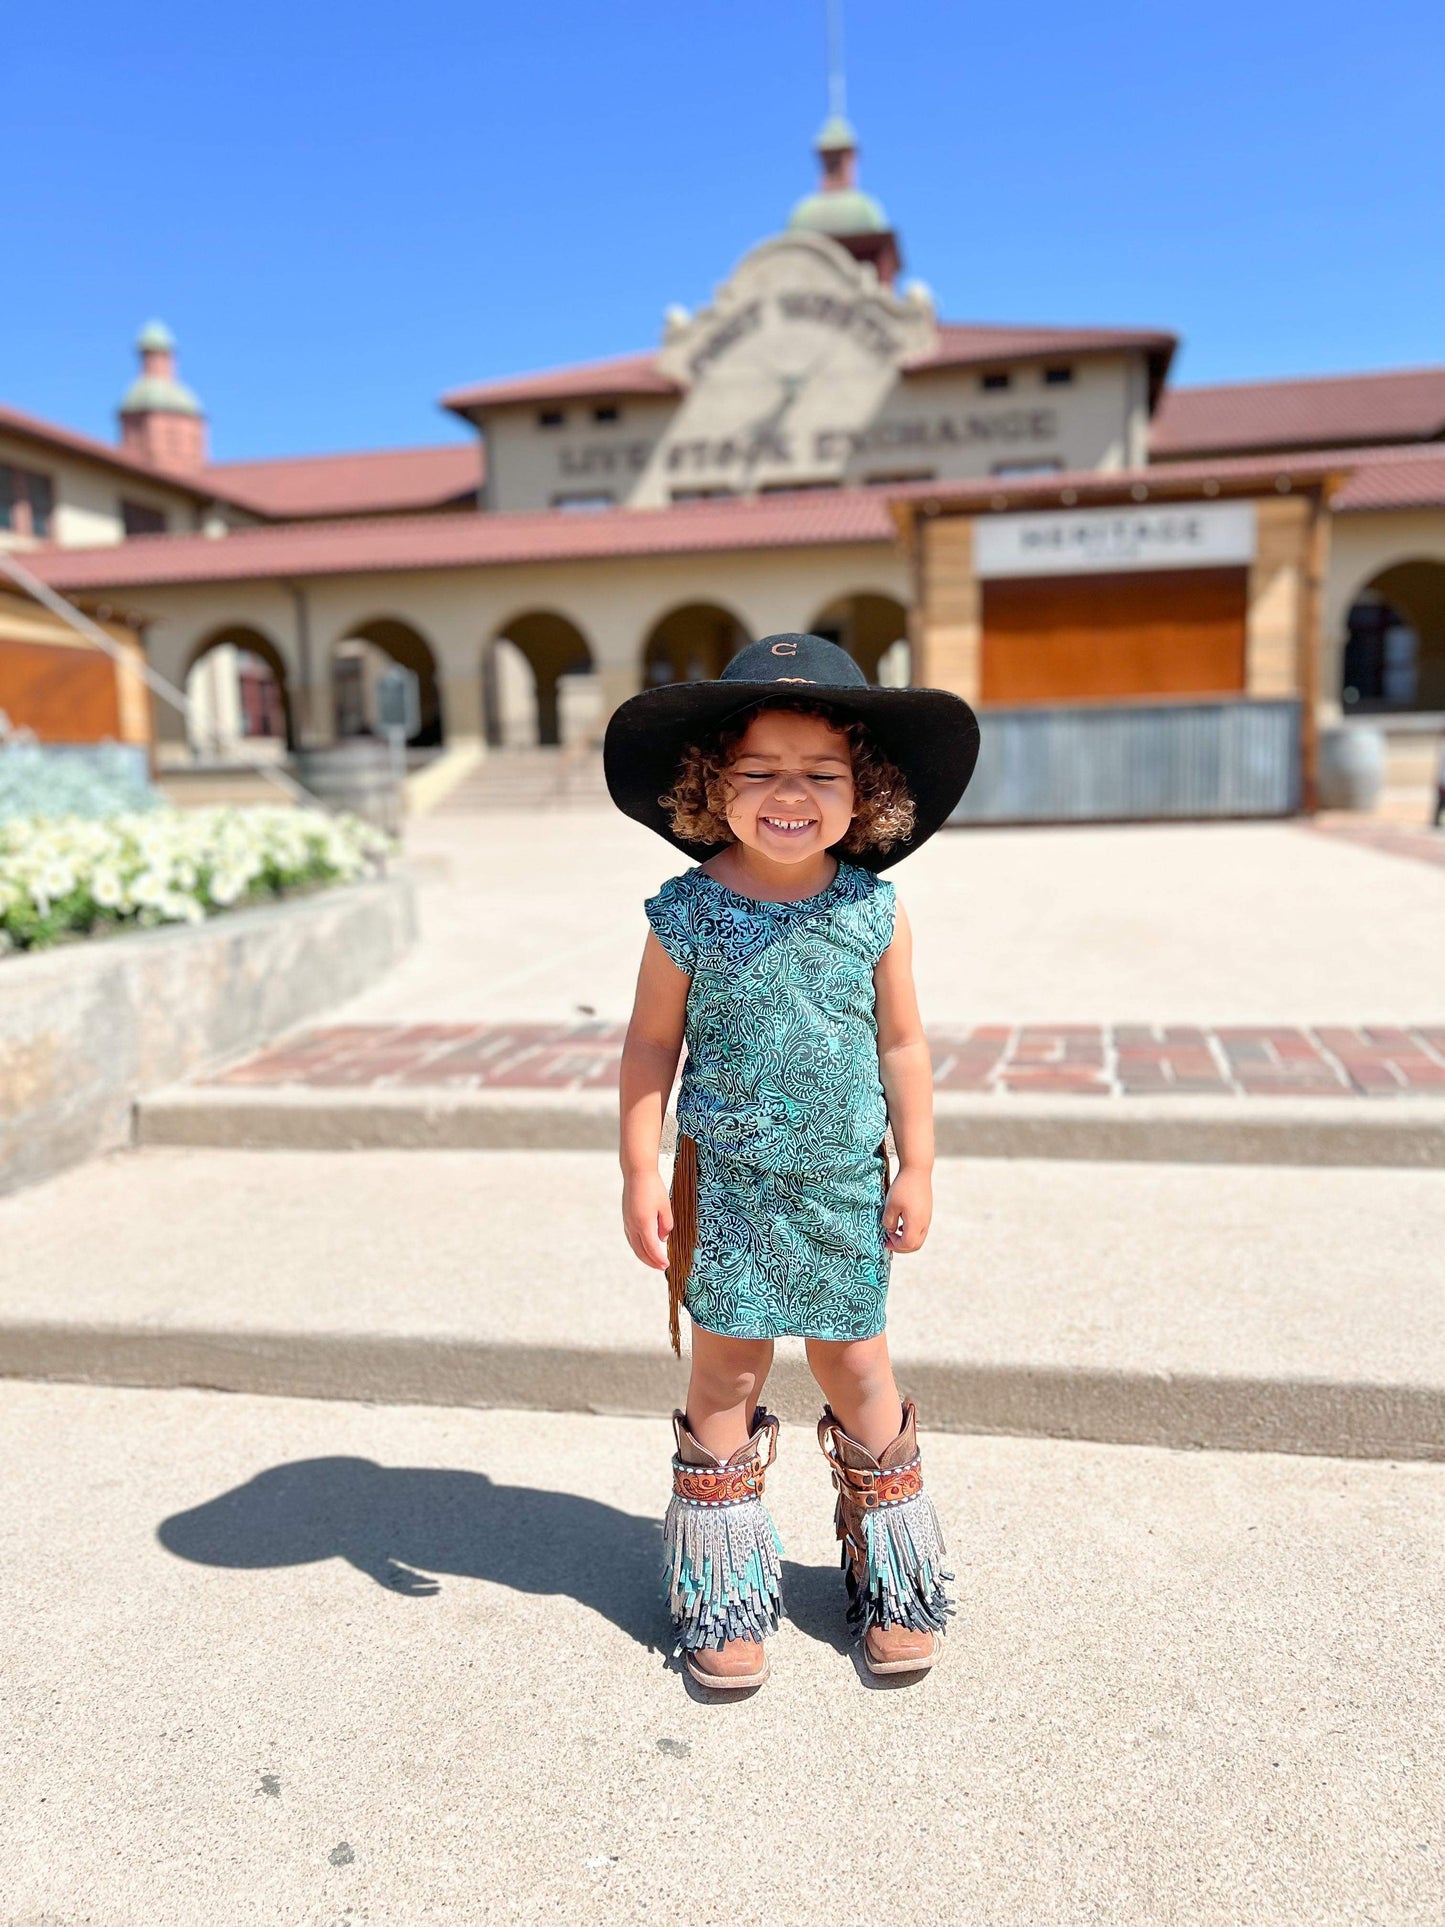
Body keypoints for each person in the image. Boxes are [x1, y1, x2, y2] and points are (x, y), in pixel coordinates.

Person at [604, 634, 979, 1690]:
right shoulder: (685, 912)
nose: (788, 794)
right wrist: (639, 1169)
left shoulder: (870, 909)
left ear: (865, 794)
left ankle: (889, 1569)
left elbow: (901, 1045)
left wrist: (919, 1164)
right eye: (758, 770)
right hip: (725, 1187)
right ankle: (722, 1588)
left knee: (857, 1365)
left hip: (841, 1186)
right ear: (707, 785)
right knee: (723, 1368)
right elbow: (646, 1048)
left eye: (819, 774)